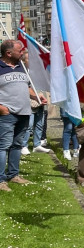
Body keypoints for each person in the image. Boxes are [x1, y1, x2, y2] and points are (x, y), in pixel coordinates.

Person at [0, 40, 43, 192]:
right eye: (20, 50)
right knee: (3, 147)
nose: (23, 52)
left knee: (17, 145)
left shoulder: (21, 67)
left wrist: (36, 97)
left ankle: (14, 175)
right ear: (8, 53)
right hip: (7, 114)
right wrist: (0, 108)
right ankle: (0, 180)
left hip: (24, 113)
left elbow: (27, 87)